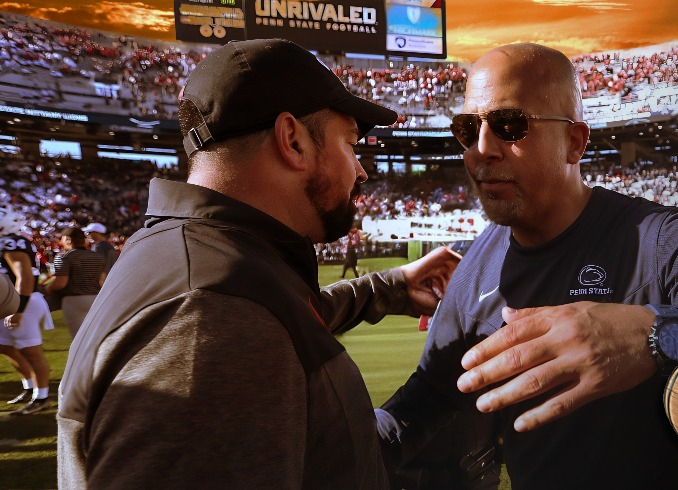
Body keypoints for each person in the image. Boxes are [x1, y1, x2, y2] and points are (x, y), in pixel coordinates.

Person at [376, 43, 678, 489]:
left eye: (509, 125)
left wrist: (658, 333)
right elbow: (423, 407)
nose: (481, 150)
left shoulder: (659, 239)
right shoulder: (473, 272)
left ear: (574, 142)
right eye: (468, 128)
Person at [56, 38, 460, 489]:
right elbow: (238, 329)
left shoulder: (203, 263)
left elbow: (280, 320)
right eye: (350, 144)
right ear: (292, 140)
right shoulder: (210, 320)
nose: (362, 171)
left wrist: (390, 287)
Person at [0, 205, 53, 416]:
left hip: (23, 302)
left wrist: (19, 309)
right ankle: (30, 386)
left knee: (30, 351)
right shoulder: (10, 241)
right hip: (12, 302)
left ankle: (42, 398)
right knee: (4, 346)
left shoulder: (13, 242)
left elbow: (24, 276)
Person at [46, 226, 105, 338]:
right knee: (96, 337)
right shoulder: (97, 256)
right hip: (96, 299)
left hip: (74, 300)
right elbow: (101, 279)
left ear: (68, 239)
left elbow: (61, 283)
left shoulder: (64, 257)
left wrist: (48, 288)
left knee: (79, 339)